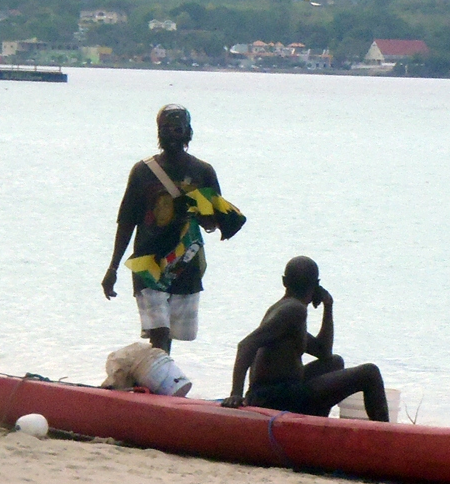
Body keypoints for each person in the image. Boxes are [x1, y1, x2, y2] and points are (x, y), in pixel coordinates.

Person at [102, 104, 245, 355]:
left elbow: (211, 222)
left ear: (188, 132)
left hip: (185, 264)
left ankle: (159, 383)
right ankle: (160, 385)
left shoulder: (204, 172)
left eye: (177, 129)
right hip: (148, 264)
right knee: (159, 334)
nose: (173, 134)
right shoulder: (142, 171)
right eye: (167, 129)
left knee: (172, 336)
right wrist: (113, 267)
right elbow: (126, 221)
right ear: (159, 132)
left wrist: (202, 210)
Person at [221, 256, 389, 421]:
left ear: (284, 282)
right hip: (276, 398)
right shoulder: (294, 310)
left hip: (279, 392)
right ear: (316, 284)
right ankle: (386, 439)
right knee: (370, 373)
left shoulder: (285, 307)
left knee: (335, 362)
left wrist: (328, 306)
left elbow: (324, 352)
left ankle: (314, 424)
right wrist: (236, 394)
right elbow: (246, 345)